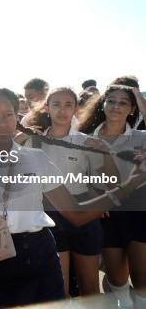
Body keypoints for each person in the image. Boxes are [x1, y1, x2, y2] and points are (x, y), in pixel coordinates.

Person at [0, 88, 145, 308]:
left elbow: (75, 215)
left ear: (16, 116)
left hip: (40, 253)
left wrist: (128, 185)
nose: (2, 123)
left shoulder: (36, 158)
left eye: (8, 115)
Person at [22, 87, 117, 296]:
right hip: (49, 214)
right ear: (47, 107)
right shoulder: (32, 140)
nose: (62, 110)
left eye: (68, 105)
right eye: (56, 104)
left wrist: (99, 199)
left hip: (82, 213)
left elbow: (103, 180)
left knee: (90, 287)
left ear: (75, 109)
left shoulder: (87, 142)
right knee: (60, 287)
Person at [78, 84, 146, 308]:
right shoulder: (86, 138)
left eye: (123, 102)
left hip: (139, 212)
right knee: (117, 279)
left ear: (132, 109)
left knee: (142, 280)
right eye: (111, 101)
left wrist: (137, 94)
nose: (116, 106)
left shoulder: (141, 137)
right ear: (103, 105)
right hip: (105, 215)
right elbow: (79, 176)